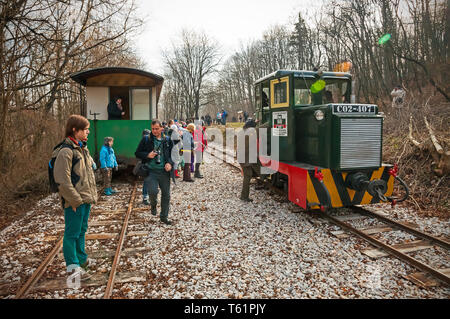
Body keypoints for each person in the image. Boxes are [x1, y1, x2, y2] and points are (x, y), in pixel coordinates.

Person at [53, 114, 97, 282]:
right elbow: (62, 180)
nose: (88, 133)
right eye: (85, 130)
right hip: (74, 201)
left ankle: (81, 259)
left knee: (81, 230)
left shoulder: (81, 148)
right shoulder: (66, 151)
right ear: (74, 129)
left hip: (85, 200)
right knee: (71, 234)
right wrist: (74, 200)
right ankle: (73, 268)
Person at [135, 119, 174, 225]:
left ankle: (164, 217)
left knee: (166, 195)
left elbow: (173, 155)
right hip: (151, 171)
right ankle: (153, 205)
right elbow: (137, 153)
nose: (154, 131)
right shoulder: (146, 139)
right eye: (153, 129)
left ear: (162, 128)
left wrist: (169, 163)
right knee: (152, 192)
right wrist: (147, 155)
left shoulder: (167, 140)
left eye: (157, 129)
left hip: (164, 172)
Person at [238, 118, 259, 202]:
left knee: (249, 174)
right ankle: (244, 196)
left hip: (243, 157)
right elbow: (258, 130)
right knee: (248, 176)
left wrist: (255, 123)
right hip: (245, 158)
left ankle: (244, 196)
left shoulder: (242, 131)